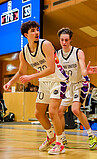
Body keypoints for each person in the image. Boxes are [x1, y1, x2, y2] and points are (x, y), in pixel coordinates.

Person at [3, 21, 69, 155]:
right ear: (26, 34)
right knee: (38, 114)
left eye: (37, 30)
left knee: (52, 112)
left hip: (58, 80)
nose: (36, 32)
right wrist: (10, 83)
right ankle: (50, 136)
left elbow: (51, 69)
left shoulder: (45, 44)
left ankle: (60, 142)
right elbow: (22, 72)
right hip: (44, 81)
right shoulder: (24, 52)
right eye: (33, 31)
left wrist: (31, 77)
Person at [57, 28, 97, 150]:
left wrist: (87, 71)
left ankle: (91, 135)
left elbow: (83, 69)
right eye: (62, 40)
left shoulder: (78, 52)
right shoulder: (58, 54)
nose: (64, 42)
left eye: (66, 40)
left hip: (80, 83)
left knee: (75, 110)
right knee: (59, 111)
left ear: (70, 40)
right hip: (68, 85)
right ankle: (62, 137)